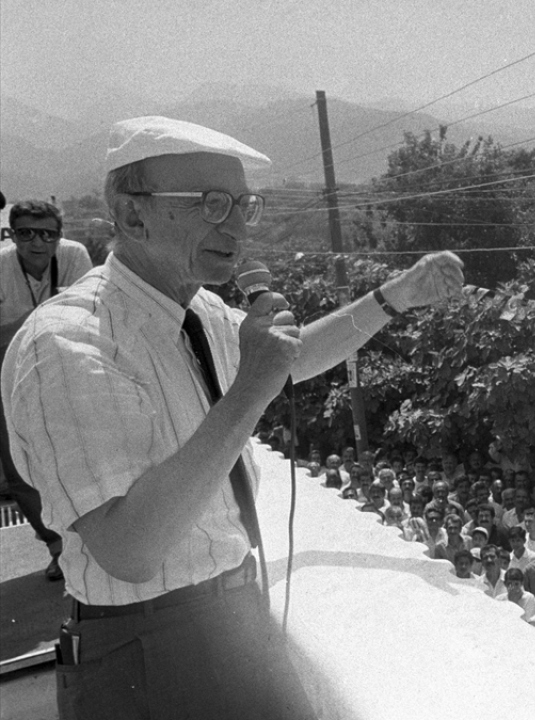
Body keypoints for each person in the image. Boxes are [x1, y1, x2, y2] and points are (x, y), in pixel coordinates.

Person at [0, 116, 464, 718]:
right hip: (149, 653)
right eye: (211, 204)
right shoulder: (69, 344)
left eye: (245, 205)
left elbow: (294, 360)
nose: (237, 226)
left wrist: (393, 297)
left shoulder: (199, 309)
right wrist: (249, 390)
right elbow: (129, 549)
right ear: (133, 214)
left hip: (236, 620)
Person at [0, 199, 94, 581]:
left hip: (64, 367)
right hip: (7, 373)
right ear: (12, 234)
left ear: (59, 236)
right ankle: (56, 546)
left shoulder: (74, 256)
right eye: (26, 233)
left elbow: (87, 313)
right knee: (17, 463)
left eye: (47, 234)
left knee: (81, 453)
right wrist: (41, 317)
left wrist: (18, 326)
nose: (37, 243)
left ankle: (87, 543)